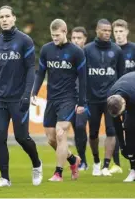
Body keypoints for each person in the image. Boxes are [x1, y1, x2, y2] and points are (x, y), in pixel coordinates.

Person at [0, 5, 42, 187]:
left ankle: (36, 164)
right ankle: (5, 178)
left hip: (18, 99)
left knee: (21, 137)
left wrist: (27, 95)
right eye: (1, 17)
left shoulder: (25, 41)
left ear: (14, 18)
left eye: (7, 16)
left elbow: (31, 71)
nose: (4, 20)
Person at [32, 19, 86, 182]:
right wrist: (34, 91)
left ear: (65, 32)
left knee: (61, 134)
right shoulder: (46, 49)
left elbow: (83, 79)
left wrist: (81, 102)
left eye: (57, 35)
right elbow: (41, 72)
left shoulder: (76, 52)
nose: (54, 38)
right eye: (52, 35)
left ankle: (58, 173)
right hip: (52, 98)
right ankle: (72, 159)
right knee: (51, 138)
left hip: (68, 98)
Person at [84, 19, 125, 177]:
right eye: (104, 30)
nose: (107, 33)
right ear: (97, 30)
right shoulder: (87, 50)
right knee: (93, 134)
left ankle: (106, 165)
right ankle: (96, 161)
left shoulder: (117, 50)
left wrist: (121, 96)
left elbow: (121, 76)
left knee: (111, 131)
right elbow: (81, 75)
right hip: (92, 99)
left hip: (111, 99)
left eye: (109, 30)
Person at [110, 19, 135, 174]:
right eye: (116, 32)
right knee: (115, 128)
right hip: (116, 95)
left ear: (126, 32)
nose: (118, 35)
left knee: (132, 128)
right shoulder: (110, 49)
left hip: (134, 97)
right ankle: (116, 164)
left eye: (121, 31)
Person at [71, 26, 89, 171]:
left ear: (85, 40)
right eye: (74, 38)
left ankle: (111, 163)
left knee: (81, 126)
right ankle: (82, 160)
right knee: (76, 129)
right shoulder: (67, 54)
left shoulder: (90, 54)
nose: (76, 41)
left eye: (79, 38)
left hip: (88, 98)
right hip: (70, 98)